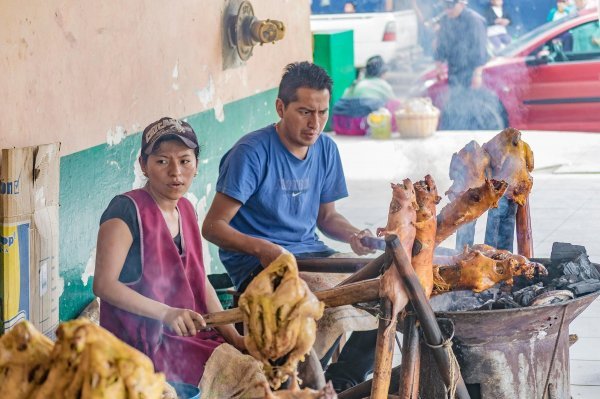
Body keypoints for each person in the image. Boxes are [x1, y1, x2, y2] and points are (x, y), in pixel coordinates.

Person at [202, 61, 378, 393]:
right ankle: (310, 382)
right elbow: (212, 227)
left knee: (384, 288)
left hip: (312, 255)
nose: (315, 123)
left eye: (322, 112)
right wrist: (261, 247)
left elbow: (327, 218)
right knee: (304, 309)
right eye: (305, 112)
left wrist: (354, 235)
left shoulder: (326, 149)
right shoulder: (251, 153)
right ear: (280, 107)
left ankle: (344, 380)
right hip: (259, 266)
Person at [93, 117, 259, 393]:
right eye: (161, 161)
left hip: (189, 337)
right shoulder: (125, 210)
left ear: (196, 165)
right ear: (143, 166)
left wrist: (233, 336)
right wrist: (166, 313)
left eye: (185, 161)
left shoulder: (187, 209)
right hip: (143, 346)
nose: (175, 172)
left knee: (263, 369)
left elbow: (199, 281)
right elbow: (104, 285)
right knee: (248, 377)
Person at [434, 0, 488, 90]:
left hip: (470, 70)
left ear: (462, 4)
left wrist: (477, 75)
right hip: (453, 70)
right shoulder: (445, 20)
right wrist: (438, 66)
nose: (447, 10)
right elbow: (441, 45)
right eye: (445, 5)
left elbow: (480, 49)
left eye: (451, 6)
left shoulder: (474, 21)